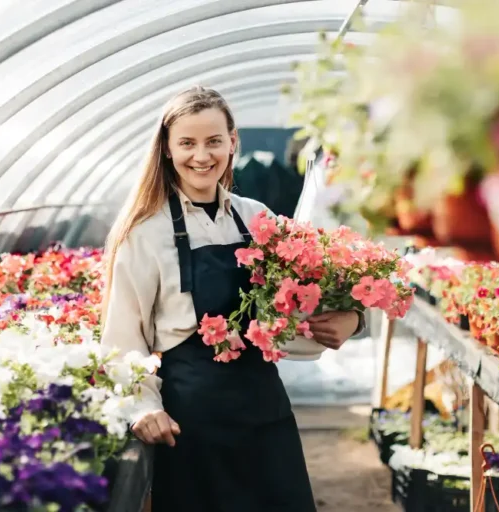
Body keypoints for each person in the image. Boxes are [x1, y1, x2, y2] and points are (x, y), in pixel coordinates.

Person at [100, 86, 364, 512]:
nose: (201, 155)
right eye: (187, 142)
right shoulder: (145, 233)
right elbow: (122, 337)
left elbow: (319, 283)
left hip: (265, 410)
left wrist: (352, 318)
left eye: (213, 141)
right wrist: (141, 407)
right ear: (166, 149)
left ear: (232, 142)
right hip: (193, 423)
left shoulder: (256, 217)